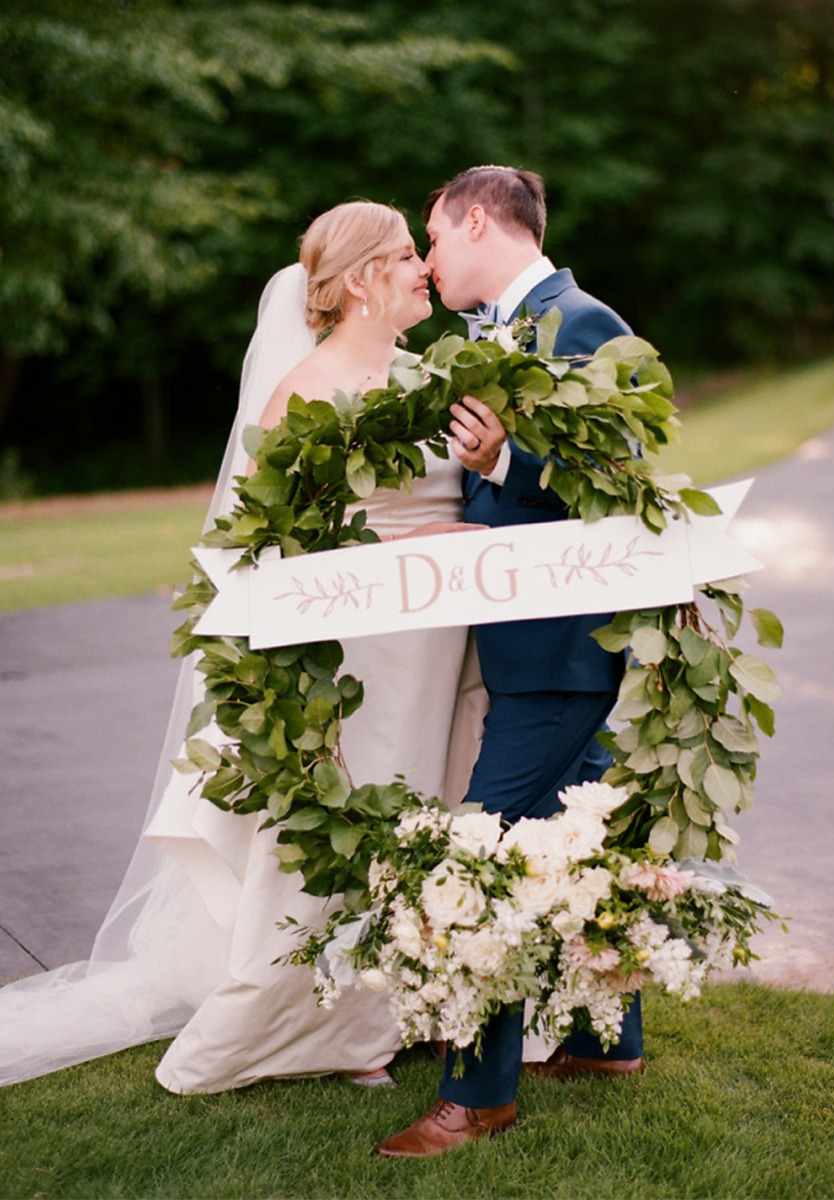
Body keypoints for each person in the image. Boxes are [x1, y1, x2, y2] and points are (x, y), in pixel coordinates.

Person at [0, 201, 495, 1092]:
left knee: (431, 807)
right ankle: (304, 1024)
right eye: (404, 256)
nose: (425, 267)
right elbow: (282, 546)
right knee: (353, 819)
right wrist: (420, 551)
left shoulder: (428, 377)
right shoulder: (305, 388)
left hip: (439, 644)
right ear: (358, 281)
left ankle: (407, 1003)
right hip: (361, 657)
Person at [374, 166, 645, 1158]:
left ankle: (476, 1093)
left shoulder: (583, 323)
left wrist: (505, 463)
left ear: (479, 221)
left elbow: (626, 478)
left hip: (565, 647)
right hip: (528, 642)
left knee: (479, 855)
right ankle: (605, 1036)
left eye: (435, 238)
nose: (430, 258)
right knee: (591, 840)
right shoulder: (496, 334)